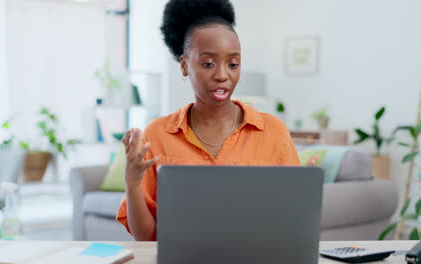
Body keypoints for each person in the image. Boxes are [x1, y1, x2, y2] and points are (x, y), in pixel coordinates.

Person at [116, 0, 300, 241]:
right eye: (208, 64)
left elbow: (294, 220)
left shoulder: (273, 131)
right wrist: (132, 183)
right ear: (184, 66)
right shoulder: (157, 134)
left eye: (233, 64)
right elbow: (146, 238)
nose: (223, 74)